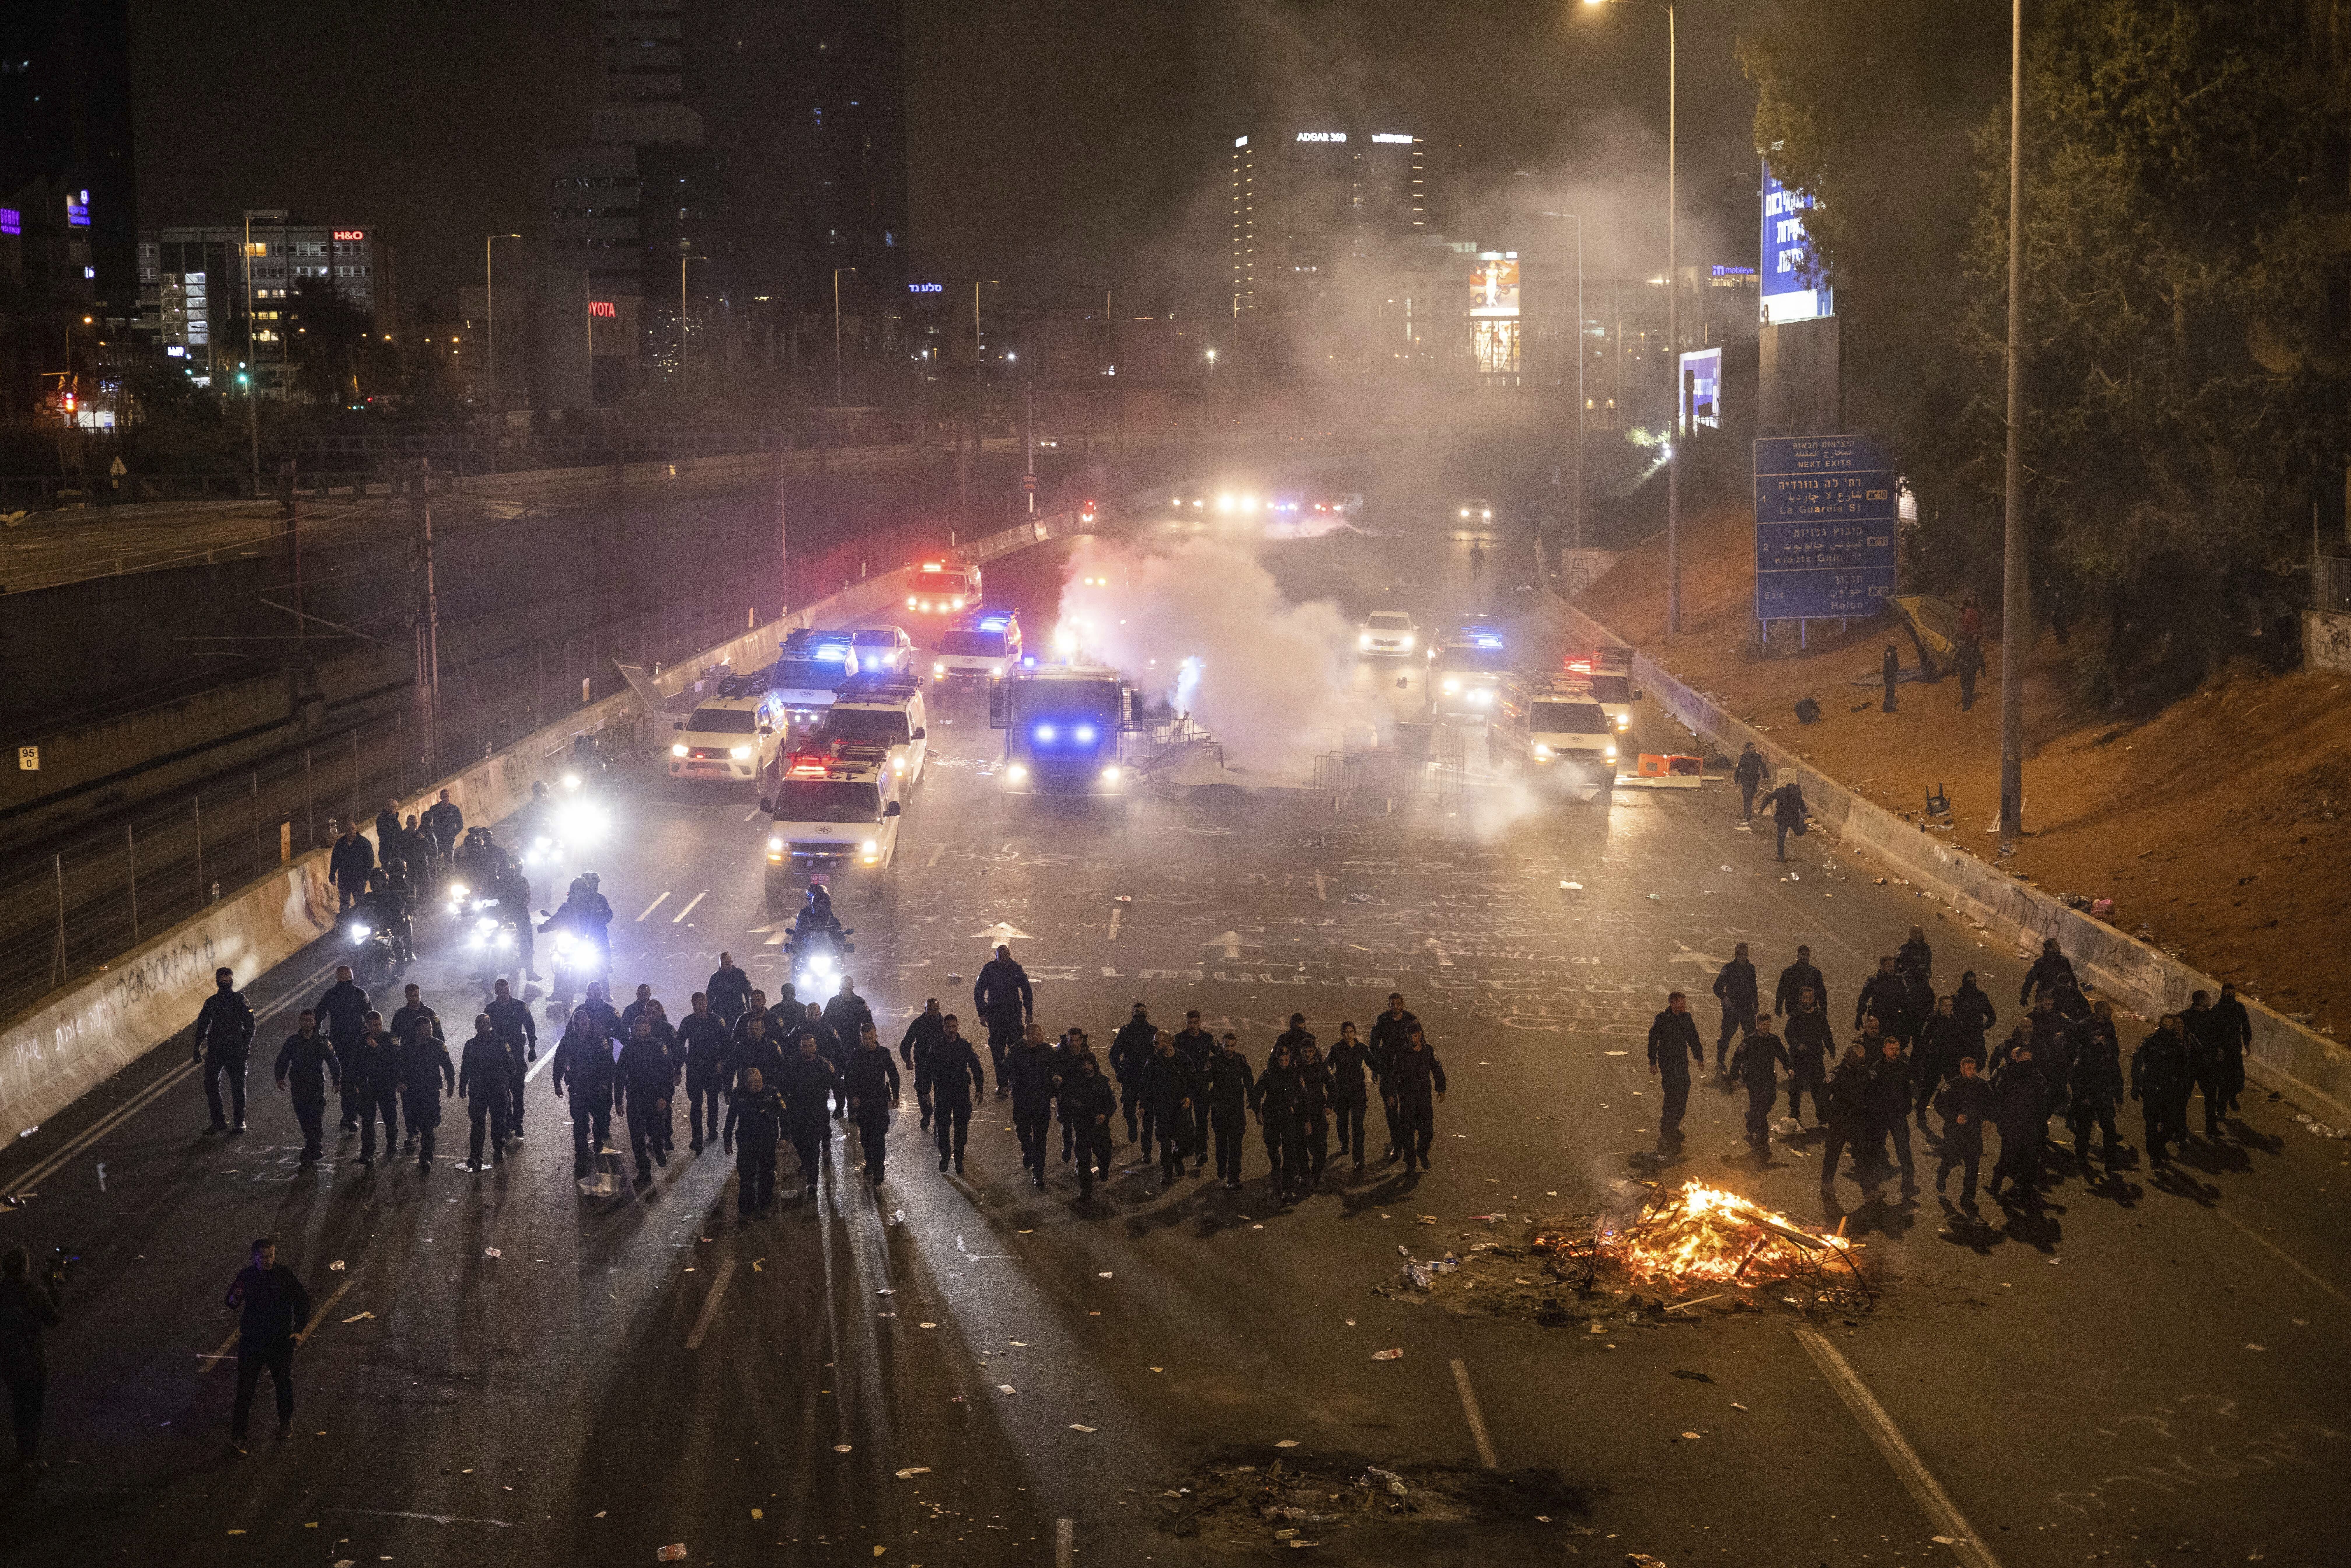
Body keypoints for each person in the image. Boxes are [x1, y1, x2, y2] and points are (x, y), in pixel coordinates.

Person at [223, 1237, 310, 1452]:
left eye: (272, 1256)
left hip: (279, 1341)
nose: (269, 1260)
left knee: (283, 1384)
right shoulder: (246, 1277)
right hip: (252, 1341)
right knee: (245, 1389)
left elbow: (302, 1301)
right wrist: (236, 1295)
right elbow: (231, 1303)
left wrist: (299, 1331)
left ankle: (285, 1422)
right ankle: (238, 1437)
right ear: (255, 1257)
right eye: (264, 1257)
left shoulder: (284, 1276)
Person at [0, 1245, 62, 1472]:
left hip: (9, 1360)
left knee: (20, 1405)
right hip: (33, 1359)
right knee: (35, 1409)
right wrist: (53, 1288)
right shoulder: (35, 1292)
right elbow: (54, 1319)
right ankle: (31, 1457)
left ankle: (23, 1454)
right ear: (25, 1268)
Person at [552, 1010, 616, 1179]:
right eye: (579, 1024)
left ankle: (598, 1139)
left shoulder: (598, 1039)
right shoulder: (568, 1040)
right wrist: (557, 1082)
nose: (582, 1026)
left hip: (597, 1090)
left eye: (585, 1023)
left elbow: (609, 1063)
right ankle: (581, 1156)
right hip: (578, 1089)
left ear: (588, 1022)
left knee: (601, 1120)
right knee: (580, 1124)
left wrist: (607, 1083)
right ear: (575, 1025)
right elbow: (559, 1060)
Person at [272, 1010, 341, 1164]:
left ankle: (316, 1145)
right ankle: (310, 1141)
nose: (307, 1023)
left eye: (310, 1020)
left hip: (316, 1084)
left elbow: (333, 1061)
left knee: (315, 1114)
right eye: (304, 1020)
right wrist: (280, 1078)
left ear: (315, 1022)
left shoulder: (322, 1042)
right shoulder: (293, 1042)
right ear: (300, 1022)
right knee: (302, 1113)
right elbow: (283, 1059)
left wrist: (337, 1080)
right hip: (298, 1084)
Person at [193, 967, 256, 1135]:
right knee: (211, 1085)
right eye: (224, 980)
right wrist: (197, 1047)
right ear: (218, 982)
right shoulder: (212, 1002)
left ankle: (239, 1121)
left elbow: (251, 1024)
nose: (227, 983)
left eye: (230, 980)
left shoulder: (240, 1000)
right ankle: (219, 1121)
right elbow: (203, 1025)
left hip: (236, 1049)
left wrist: (246, 1047)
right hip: (216, 1050)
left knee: (238, 1085)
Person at [2067, 1001, 2125, 1173]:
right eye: (2097, 1040)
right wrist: (2081, 1096)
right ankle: (2082, 1157)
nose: (2101, 1042)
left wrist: (2119, 1097)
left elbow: (2116, 1074)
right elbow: (2075, 1075)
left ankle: (2111, 1160)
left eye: (2103, 1040)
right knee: (2084, 1128)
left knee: (2109, 1127)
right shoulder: (2084, 1056)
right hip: (2087, 1095)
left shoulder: (2108, 1055)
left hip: (2103, 1095)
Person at [1988, 1039, 2049, 1202]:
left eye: (2030, 1059)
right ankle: (1996, 1183)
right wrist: (1996, 1120)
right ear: (2015, 1058)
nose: (2027, 1063)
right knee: (2007, 1157)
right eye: (2024, 1059)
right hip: (2012, 1125)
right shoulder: (2006, 1074)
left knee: (2030, 1160)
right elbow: (1995, 1097)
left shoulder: (2037, 1076)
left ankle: (2026, 1191)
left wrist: (2041, 1123)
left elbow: (2043, 1100)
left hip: (2030, 1125)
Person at [1139, 1029, 1200, 1191]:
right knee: (1164, 1141)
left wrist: (1189, 1097)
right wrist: (1143, 1106)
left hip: (1180, 1108)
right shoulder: (1153, 1061)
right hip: (1162, 1107)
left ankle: (1177, 1157)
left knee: (1187, 1141)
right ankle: (1167, 1171)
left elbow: (1193, 1081)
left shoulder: (1183, 1059)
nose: (1155, 1045)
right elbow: (1145, 1085)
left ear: (1167, 1043)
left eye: (1157, 1043)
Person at [722, 1066, 786, 1221]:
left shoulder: (772, 1093)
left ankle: (765, 1206)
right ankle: (746, 1211)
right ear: (745, 1083)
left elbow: (784, 1116)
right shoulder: (739, 1095)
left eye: (760, 1081)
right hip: (747, 1141)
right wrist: (727, 1141)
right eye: (753, 1083)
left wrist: (785, 1137)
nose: (757, 1085)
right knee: (746, 1177)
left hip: (767, 1140)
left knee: (767, 1175)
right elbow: (731, 1119)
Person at [617, 1015, 675, 1182]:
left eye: (645, 1030)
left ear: (649, 1028)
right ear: (634, 1030)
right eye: (638, 1030)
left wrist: (665, 1097)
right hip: (635, 1098)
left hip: (655, 1097)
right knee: (636, 1136)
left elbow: (668, 1074)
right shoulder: (628, 1049)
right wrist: (619, 1101)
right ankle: (644, 1170)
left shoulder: (658, 1047)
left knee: (656, 1129)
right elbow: (620, 1076)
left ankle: (658, 1148)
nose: (642, 1033)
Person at [776, 1030, 838, 1187]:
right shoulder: (791, 1065)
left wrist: (840, 1105)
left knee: (813, 1144)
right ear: (800, 1047)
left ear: (816, 1047)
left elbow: (837, 1085)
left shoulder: (824, 1065)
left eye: (811, 1046)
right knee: (798, 1141)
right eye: (805, 1046)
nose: (808, 1049)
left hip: (818, 1111)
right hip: (797, 1111)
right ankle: (807, 1164)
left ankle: (813, 1181)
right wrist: (785, 1107)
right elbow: (782, 1087)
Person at [396, 1013, 456, 1173]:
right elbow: (398, 1066)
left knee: (428, 1126)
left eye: (430, 1028)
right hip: (412, 1090)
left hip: (430, 1090)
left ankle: (426, 1158)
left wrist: (451, 1083)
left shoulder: (438, 1045)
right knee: (412, 1118)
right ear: (417, 1030)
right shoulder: (408, 1046)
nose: (429, 1031)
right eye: (425, 1029)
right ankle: (413, 1133)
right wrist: (399, 1082)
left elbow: (448, 1065)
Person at [2130, 1014, 2193, 1164]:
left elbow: (2184, 1067)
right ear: (2160, 1025)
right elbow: (2137, 1064)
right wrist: (2136, 1085)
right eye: (2166, 1026)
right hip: (2151, 1086)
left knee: (2171, 1123)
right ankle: (2154, 1154)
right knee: (2151, 1122)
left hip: (2170, 1088)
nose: (2169, 1030)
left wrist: (2183, 1086)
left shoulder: (2178, 1045)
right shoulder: (2149, 1041)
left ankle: (2158, 1146)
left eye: (2171, 1027)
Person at [972, 944, 1033, 1098]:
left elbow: (1027, 990)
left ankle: (1015, 1082)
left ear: (1009, 955)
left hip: (1013, 1015)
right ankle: (1003, 1084)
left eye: (1006, 957)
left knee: (1017, 1050)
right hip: (996, 1016)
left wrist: (1029, 1012)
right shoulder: (989, 969)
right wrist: (982, 1014)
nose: (1004, 960)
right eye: (1001, 957)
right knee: (998, 1052)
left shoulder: (1017, 969)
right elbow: (978, 991)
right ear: (997, 956)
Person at [1385, 1024, 1447, 1173]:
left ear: (1420, 1035)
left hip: (1424, 1099)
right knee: (1407, 1134)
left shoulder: (1429, 1051)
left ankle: (1422, 1153)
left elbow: (1437, 1070)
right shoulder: (1401, 1054)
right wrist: (1391, 1094)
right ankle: (1411, 1162)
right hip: (1407, 1098)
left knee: (1427, 1132)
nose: (1413, 1039)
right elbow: (1394, 1075)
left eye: (1416, 1035)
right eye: (1411, 1036)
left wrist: (1441, 1089)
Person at [930, 1013, 987, 1174]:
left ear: (958, 1027)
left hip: (961, 1092)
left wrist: (980, 1089)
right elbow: (927, 1069)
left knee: (961, 1128)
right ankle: (946, 1155)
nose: (951, 1030)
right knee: (942, 1127)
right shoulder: (937, 1046)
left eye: (954, 1027)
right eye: (948, 1027)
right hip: (942, 1093)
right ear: (944, 1028)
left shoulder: (964, 1046)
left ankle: (959, 1158)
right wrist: (925, 1092)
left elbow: (976, 1068)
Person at [316, 964, 371, 1132]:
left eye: (350, 978)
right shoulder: (331, 995)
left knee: (361, 1080)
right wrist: (317, 1038)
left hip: (359, 1044)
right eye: (345, 979)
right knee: (347, 1081)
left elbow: (370, 1015)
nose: (348, 981)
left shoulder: (361, 995)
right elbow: (319, 1015)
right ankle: (350, 1116)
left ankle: (358, 1111)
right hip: (340, 1045)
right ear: (339, 979)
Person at [845, 1022, 902, 1185]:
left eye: (871, 1038)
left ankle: (879, 1170)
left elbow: (894, 1074)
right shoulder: (856, 1055)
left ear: (876, 1037)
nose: (868, 1042)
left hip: (879, 1101)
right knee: (865, 1138)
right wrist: (852, 1096)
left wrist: (896, 1095)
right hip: (863, 1102)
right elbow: (849, 1078)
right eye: (865, 1039)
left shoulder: (884, 1054)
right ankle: (870, 1161)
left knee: (878, 1138)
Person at [1646, 993, 1703, 1152]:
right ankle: (1667, 1126)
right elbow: (1653, 1039)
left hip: (1681, 1062)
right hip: (1667, 1063)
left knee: (1684, 1092)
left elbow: (1693, 1037)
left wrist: (1699, 1057)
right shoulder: (1662, 1019)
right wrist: (1653, 1061)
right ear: (1673, 1004)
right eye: (1682, 1003)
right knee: (1672, 1094)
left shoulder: (1687, 1018)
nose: (1685, 1006)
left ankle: (1674, 1124)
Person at [456, 1013, 513, 1172]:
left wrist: (506, 1083)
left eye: (486, 1025)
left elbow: (511, 1064)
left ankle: (497, 1149)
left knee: (498, 1122)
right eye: (480, 1025)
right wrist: (462, 1085)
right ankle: (476, 1156)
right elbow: (465, 1068)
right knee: (478, 1124)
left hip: (497, 1090)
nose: (483, 1028)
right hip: (479, 1090)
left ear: (490, 1025)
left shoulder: (501, 1042)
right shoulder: (471, 1045)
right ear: (476, 1027)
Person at [1367, 993, 1420, 1162]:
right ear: (1389, 1006)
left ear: (1403, 1004)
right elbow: (1374, 1045)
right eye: (1393, 1005)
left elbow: (1420, 1044)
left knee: (1406, 1110)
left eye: (1398, 1004)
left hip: (1406, 1070)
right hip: (1388, 1069)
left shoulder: (1412, 1021)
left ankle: (1404, 1142)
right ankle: (1397, 1145)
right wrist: (1376, 1068)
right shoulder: (1382, 1020)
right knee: (1391, 1110)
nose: (1395, 1007)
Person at [1933, 1057, 1993, 1204]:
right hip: (1955, 1132)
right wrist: (1954, 1118)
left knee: (1973, 1164)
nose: (1973, 1072)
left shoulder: (1983, 1086)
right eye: (1969, 1069)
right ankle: (1942, 1175)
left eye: (1974, 1069)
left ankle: (1968, 1196)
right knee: (1951, 1159)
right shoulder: (1952, 1086)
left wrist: (1989, 1119)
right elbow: (1939, 1104)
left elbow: (1992, 1104)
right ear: (1962, 1070)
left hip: (1973, 1132)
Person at [1819, 1042, 1874, 1198]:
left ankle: (1869, 1191)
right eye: (1858, 1058)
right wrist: (1831, 1116)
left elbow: (1869, 1094)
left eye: (1863, 1058)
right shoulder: (1836, 1074)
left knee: (1862, 1155)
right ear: (1850, 1056)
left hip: (1857, 1120)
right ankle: (1827, 1182)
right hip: (1840, 1120)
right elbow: (1823, 1096)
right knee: (1833, 1152)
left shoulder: (1863, 1073)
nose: (1861, 1061)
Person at [1866, 1033, 1919, 1196]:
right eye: (1891, 1050)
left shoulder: (1904, 1067)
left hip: (1898, 1116)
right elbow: (1870, 1094)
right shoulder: (1876, 1069)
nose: (1895, 1052)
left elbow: (1907, 1090)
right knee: (1875, 1152)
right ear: (1884, 1051)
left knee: (1904, 1151)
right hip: (1881, 1118)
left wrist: (1907, 1108)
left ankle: (1908, 1185)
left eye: (1897, 1049)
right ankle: (1872, 1188)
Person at [678, 993, 731, 1153]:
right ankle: (697, 1139)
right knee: (696, 1104)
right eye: (695, 1005)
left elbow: (726, 1043)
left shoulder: (717, 1021)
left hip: (712, 1067)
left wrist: (721, 1061)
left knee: (713, 1100)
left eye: (701, 1004)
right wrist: (679, 1066)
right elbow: (679, 1043)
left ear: (706, 1003)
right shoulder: (688, 1022)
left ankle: (712, 1128)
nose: (698, 1008)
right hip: (695, 1068)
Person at [347, 1012, 400, 1168]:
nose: (377, 1028)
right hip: (368, 1086)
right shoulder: (361, 1040)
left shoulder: (391, 1039)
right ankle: (368, 1152)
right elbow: (355, 1063)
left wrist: (377, 1047)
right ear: (368, 1026)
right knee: (368, 1120)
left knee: (390, 1117)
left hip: (386, 1085)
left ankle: (392, 1144)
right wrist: (355, 1082)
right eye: (374, 1025)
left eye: (379, 1024)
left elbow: (393, 1060)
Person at [1729, 1018, 1789, 1156]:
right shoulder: (1749, 1042)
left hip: (1769, 1079)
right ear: (1757, 1026)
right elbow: (1737, 1058)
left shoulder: (1774, 1040)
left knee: (1770, 1102)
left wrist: (1789, 1068)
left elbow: (1783, 1056)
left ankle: (1751, 1117)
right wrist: (1734, 1076)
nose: (1766, 1027)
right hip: (1754, 1081)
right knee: (1760, 1109)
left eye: (1768, 1024)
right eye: (1763, 1025)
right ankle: (1762, 1138)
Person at [1205, 1032, 1257, 1191]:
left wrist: (1252, 1099)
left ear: (1236, 1046)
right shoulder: (1213, 1062)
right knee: (1221, 1142)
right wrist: (1207, 1100)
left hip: (1236, 1109)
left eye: (1232, 1046)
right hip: (1219, 1108)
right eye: (1226, 1045)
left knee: (1236, 1145)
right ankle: (1221, 1166)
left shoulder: (1241, 1061)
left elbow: (1249, 1080)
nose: (1229, 1049)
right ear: (1221, 1045)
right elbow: (1204, 1081)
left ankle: (1234, 1177)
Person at [485, 978, 535, 1139]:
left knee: (518, 1091)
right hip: (499, 1058)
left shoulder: (520, 1006)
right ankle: (507, 1122)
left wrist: (533, 1047)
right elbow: (485, 1030)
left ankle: (518, 1122)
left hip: (517, 1055)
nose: (506, 995)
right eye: (502, 992)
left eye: (508, 991)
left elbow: (530, 1025)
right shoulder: (491, 1009)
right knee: (502, 1092)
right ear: (497, 993)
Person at [1254, 1040, 1303, 1198]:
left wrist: (1305, 1117)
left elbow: (1304, 1096)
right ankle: (1276, 1169)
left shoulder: (1295, 1074)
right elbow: (1257, 1094)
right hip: (1272, 1116)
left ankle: (1288, 1187)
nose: (1284, 1063)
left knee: (1290, 1152)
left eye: (1286, 1060)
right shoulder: (1268, 1074)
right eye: (1281, 1061)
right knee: (1272, 1148)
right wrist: (1258, 1113)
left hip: (1289, 1116)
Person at [1064, 1054, 1119, 1199]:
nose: (1086, 1067)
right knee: (1083, 1159)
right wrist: (1073, 1105)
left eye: (1089, 1064)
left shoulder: (1104, 1082)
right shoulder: (1075, 1083)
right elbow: (1067, 1101)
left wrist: (1104, 1115)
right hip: (1083, 1127)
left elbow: (1112, 1104)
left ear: (1094, 1065)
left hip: (1100, 1127)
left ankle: (1103, 1168)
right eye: (1084, 1064)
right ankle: (1086, 1189)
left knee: (1105, 1153)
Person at [1171, 1010, 1218, 1168]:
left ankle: (1201, 1152)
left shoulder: (1208, 1039)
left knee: (1202, 1120)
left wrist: (1211, 1070)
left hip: (1201, 1085)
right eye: (1190, 1023)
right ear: (1186, 1023)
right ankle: (1184, 1146)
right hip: (1184, 1087)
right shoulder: (1178, 1040)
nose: (1192, 1026)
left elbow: (1219, 1057)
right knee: (1184, 1119)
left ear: (1200, 1023)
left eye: (1195, 1023)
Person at [1782, 987, 1835, 1127]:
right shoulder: (1796, 1016)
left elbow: (1826, 1033)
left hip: (1816, 1058)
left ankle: (1822, 1115)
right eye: (1805, 998)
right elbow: (1788, 1034)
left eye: (1810, 998)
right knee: (1796, 1088)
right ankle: (1794, 1114)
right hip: (1799, 1059)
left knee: (1819, 1088)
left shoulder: (1820, 1016)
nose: (1808, 1001)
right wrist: (1797, 1044)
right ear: (1800, 999)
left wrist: (1831, 1047)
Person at [1914, 995, 1967, 1131]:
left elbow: (1961, 1042)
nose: (1948, 1008)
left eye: (1950, 1006)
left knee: (1953, 1089)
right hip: (1936, 1061)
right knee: (1930, 1088)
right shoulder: (1933, 1021)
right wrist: (1924, 1059)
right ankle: (1921, 1110)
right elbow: (1924, 1040)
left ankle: (1953, 1117)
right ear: (1940, 1007)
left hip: (1951, 1062)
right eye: (1945, 1006)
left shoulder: (1956, 1022)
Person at [1108, 1002, 1156, 1149]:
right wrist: (1120, 1072)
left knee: (1149, 1116)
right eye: (1137, 1013)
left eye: (1142, 1013)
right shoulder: (1126, 1032)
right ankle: (1132, 1124)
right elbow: (1114, 1054)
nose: (1139, 1016)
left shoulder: (1153, 1032)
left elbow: (1160, 1055)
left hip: (1148, 1078)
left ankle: (1146, 1149)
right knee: (1128, 1110)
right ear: (1132, 1015)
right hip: (1130, 1077)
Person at [1325, 1020, 1371, 1169]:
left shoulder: (1362, 1049)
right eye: (1346, 1032)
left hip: (1358, 1092)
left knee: (1358, 1126)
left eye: (1352, 1032)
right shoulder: (1336, 1049)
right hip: (1342, 1092)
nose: (1349, 1035)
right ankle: (1344, 1143)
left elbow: (1373, 1063)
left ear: (1355, 1033)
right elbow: (1328, 1066)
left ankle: (1359, 1157)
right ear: (1342, 1034)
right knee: (1342, 1122)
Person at [899, 999, 948, 1130]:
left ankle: (939, 1121)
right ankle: (926, 1114)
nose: (933, 1013)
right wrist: (907, 1060)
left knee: (941, 1094)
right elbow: (906, 1043)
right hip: (923, 1065)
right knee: (921, 1091)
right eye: (930, 1010)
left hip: (940, 1065)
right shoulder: (918, 1024)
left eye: (935, 1010)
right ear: (926, 1010)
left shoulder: (944, 1025)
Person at [1711, 942, 1759, 1073]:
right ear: (1736, 954)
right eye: (1740, 954)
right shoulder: (1728, 969)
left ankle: (1746, 1060)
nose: (1742, 957)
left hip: (1747, 1008)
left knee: (1750, 1035)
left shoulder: (1751, 969)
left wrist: (1756, 1005)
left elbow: (1753, 988)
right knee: (1727, 1034)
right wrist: (1724, 998)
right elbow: (1717, 987)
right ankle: (1721, 1055)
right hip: (1732, 1009)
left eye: (1745, 954)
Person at [2211, 982, 2253, 1119]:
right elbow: (2213, 1032)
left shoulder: (2239, 1008)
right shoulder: (2217, 1010)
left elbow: (2245, 1025)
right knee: (2223, 1082)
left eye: (2233, 994)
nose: (2231, 996)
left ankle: (2232, 1096)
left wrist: (2247, 1042)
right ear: (2223, 994)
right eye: (2229, 994)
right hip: (2222, 1051)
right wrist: (2217, 1048)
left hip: (2235, 1049)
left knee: (2239, 1080)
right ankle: (2221, 1111)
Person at [1294, 1037, 1332, 1185]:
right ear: (1301, 1052)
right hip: (1300, 1113)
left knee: (1322, 1148)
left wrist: (1330, 1105)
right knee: (1301, 1147)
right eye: (1305, 1052)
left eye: (1311, 1051)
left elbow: (1333, 1088)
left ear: (1316, 1052)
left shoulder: (1322, 1068)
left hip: (1318, 1111)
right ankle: (1304, 1174)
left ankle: (1317, 1174)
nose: (1308, 1055)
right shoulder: (1295, 1069)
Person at [801, 1001, 847, 1122]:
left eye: (816, 1015)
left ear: (820, 1014)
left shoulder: (828, 1029)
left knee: (838, 1084)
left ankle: (840, 1108)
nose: (813, 1019)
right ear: (806, 1015)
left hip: (827, 1065)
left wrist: (843, 1066)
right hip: (808, 1065)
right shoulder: (800, 1029)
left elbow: (839, 1048)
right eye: (810, 1016)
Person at [1856, 957, 1913, 1047]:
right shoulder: (1874, 981)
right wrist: (1859, 1015)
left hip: (1895, 1020)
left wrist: (1908, 1019)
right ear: (1882, 967)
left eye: (1893, 967)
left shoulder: (1899, 980)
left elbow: (1907, 1000)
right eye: (1889, 967)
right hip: (1879, 1019)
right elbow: (1864, 998)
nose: (1892, 969)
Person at [2018, 938, 2079, 1008]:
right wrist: (2024, 996)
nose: (2060, 947)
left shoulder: (2063, 962)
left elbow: (2072, 979)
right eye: (2057, 946)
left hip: (2059, 997)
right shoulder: (2041, 964)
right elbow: (2029, 981)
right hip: (2045, 997)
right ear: (2050, 949)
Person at [1774, 946, 1829, 1022]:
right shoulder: (1789, 973)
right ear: (1798, 956)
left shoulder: (1816, 973)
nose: (1806, 957)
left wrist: (1824, 1009)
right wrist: (1778, 1007)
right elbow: (1782, 991)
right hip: (1793, 1008)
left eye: (1807, 955)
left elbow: (1821, 992)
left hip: (1810, 1008)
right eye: (1803, 955)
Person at [823, 976, 874, 1058]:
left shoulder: (860, 1002)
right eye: (844, 989)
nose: (846, 992)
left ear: (853, 988)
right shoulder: (833, 1002)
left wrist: (872, 1042)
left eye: (849, 989)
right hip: (837, 1043)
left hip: (855, 1042)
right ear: (840, 987)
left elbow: (868, 1023)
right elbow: (825, 1023)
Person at [329, 825, 375, 913]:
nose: (352, 832)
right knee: (344, 904)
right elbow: (335, 860)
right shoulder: (340, 843)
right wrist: (332, 875)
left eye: (353, 829)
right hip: (344, 880)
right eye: (349, 829)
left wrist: (365, 877)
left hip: (358, 880)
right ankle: (345, 922)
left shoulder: (364, 843)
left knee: (360, 903)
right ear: (346, 831)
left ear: (356, 830)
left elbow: (370, 861)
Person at [1951, 970, 1997, 1051]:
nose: (1972, 984)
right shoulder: (1956, 998)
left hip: (1976, 1037)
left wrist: (1983, 1027)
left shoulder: (1981, 997)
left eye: (1974, 981)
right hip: (1960, 1036)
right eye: (1969, 981)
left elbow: (1992, 1016)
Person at [1766, 778, 1809, 863]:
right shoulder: (1797, 794)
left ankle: (1781, 856)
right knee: (1799, 832)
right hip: (1793, 818)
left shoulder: (1780, 792)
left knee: (1781, 837)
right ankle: (1804, 828)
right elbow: (1801, 804)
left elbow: (1769, 798)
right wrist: (1805, 812)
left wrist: (1762, 807)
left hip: (1782, 818)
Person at [707, 952, 754, 1028]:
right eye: (723, 965)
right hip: (720, 1014)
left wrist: (750, 1009)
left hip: (738, 1012)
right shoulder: (715, 978)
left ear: (732, 962)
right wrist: (708, 1015)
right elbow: (709, 998)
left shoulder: (740, 975)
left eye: (728, 965)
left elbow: (749, 993)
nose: (725, 967)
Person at [424, 788, 464, 870]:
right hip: (437, 841)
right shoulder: (434, 809)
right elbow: (428, 823)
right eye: (444, 797)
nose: (446, 799)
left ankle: (450, 879)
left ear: (450, 797)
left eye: (448, 797)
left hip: (449, 841)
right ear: (440, 798)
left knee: (449, 864)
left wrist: (453, 834)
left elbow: (460, 824)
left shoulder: (455, 809)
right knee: (434, 862)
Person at [1733, 743, 1767, 821]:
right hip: (1746, 778)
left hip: (1754, 778)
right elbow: (1739, 768)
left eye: (1754, 748)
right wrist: (1736, 779)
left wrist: (1766, 775)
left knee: (1752, 794)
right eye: (1751, 748)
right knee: (1746, 794)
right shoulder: (1744, 757)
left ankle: (1749, 809)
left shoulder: (1758, 757)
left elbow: (1762, 766)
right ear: (1748, 749)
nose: (1753, 749)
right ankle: (1748, 811)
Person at [1954, 634, 1986, 711]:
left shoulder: (1962, 649)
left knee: (1965, 687)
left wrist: (1954, 670)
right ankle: (1968, 703)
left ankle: (1967, 705)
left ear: (1966, 641)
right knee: (1970, 686)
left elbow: (1956, 660)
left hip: (1965, 670)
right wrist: (1983, 670)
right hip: (1972, 670)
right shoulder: (1975, 649)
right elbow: (1982, 659)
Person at [1881, 640, 1900, 712]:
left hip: (1890, 674)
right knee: (1890, 691)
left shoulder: (1891, 651)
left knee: (1890, 691)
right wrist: (1891, 675)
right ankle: (1887, 708)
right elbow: (1889, 665)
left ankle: (1888, 707)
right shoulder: (1890, 652)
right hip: (1889, 675)